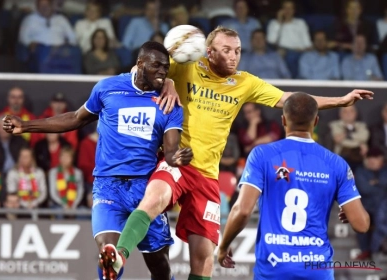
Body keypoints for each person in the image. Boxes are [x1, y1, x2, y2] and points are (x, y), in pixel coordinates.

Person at [101, 26, 374, 280]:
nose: (234, 57)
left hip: (208, 175)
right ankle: (118, 257)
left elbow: (290, 100)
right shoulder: (184, 68)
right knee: (153, 199)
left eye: (238, 50)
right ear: (209, 52)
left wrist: (340, 100)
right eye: (226, 50)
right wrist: (168, 82)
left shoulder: (245, 82)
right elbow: (148, 73)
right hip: (179, 161)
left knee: (203, 257)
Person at [2, 41, 191, 280]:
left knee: (160, 268)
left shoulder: (168, 103)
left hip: (146, 190)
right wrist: (26, 126)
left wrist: (178, 157)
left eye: (166, 68)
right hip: (107, 186)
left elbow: (172, 150)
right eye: (157, 66)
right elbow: (76, 118)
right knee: (108, 256)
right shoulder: (108, 88)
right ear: (140, 64)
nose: (163, 72)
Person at [217, 92, 370, 279]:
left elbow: (242, 210)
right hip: (317, 269)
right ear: (315, 122)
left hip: (274, 267)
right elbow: (361, 225)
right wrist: (351, 210)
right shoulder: (336, 163)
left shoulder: (262, 155)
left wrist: (223, 246)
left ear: (283, 120)